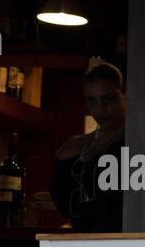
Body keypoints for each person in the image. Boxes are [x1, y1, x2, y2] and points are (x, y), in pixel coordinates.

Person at [51, 61, 127, 232]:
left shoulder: (139, 141)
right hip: (85, 242)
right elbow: (63, 205)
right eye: (92, 101)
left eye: (109, 99)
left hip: (124, 241)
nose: (101, 109)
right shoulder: (76, 145)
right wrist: (62, 158)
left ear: (124, 95)